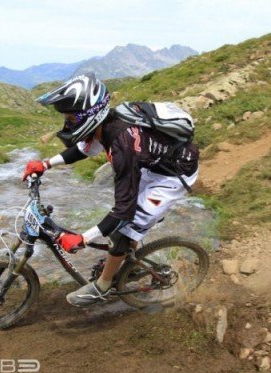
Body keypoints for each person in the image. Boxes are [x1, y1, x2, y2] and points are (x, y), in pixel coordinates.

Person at [23, 73, 199, 307]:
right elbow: (84, 149)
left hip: (171, 177)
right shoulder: (106, 124)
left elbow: (124, 210)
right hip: (151, 164)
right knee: (124, 225)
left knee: (123, 229)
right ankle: (126, 261)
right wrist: (45, 164)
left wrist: (83, 238)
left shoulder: (122, 145)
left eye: (71, 118)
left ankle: (103, 286)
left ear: (90, 115)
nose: (68, 123)